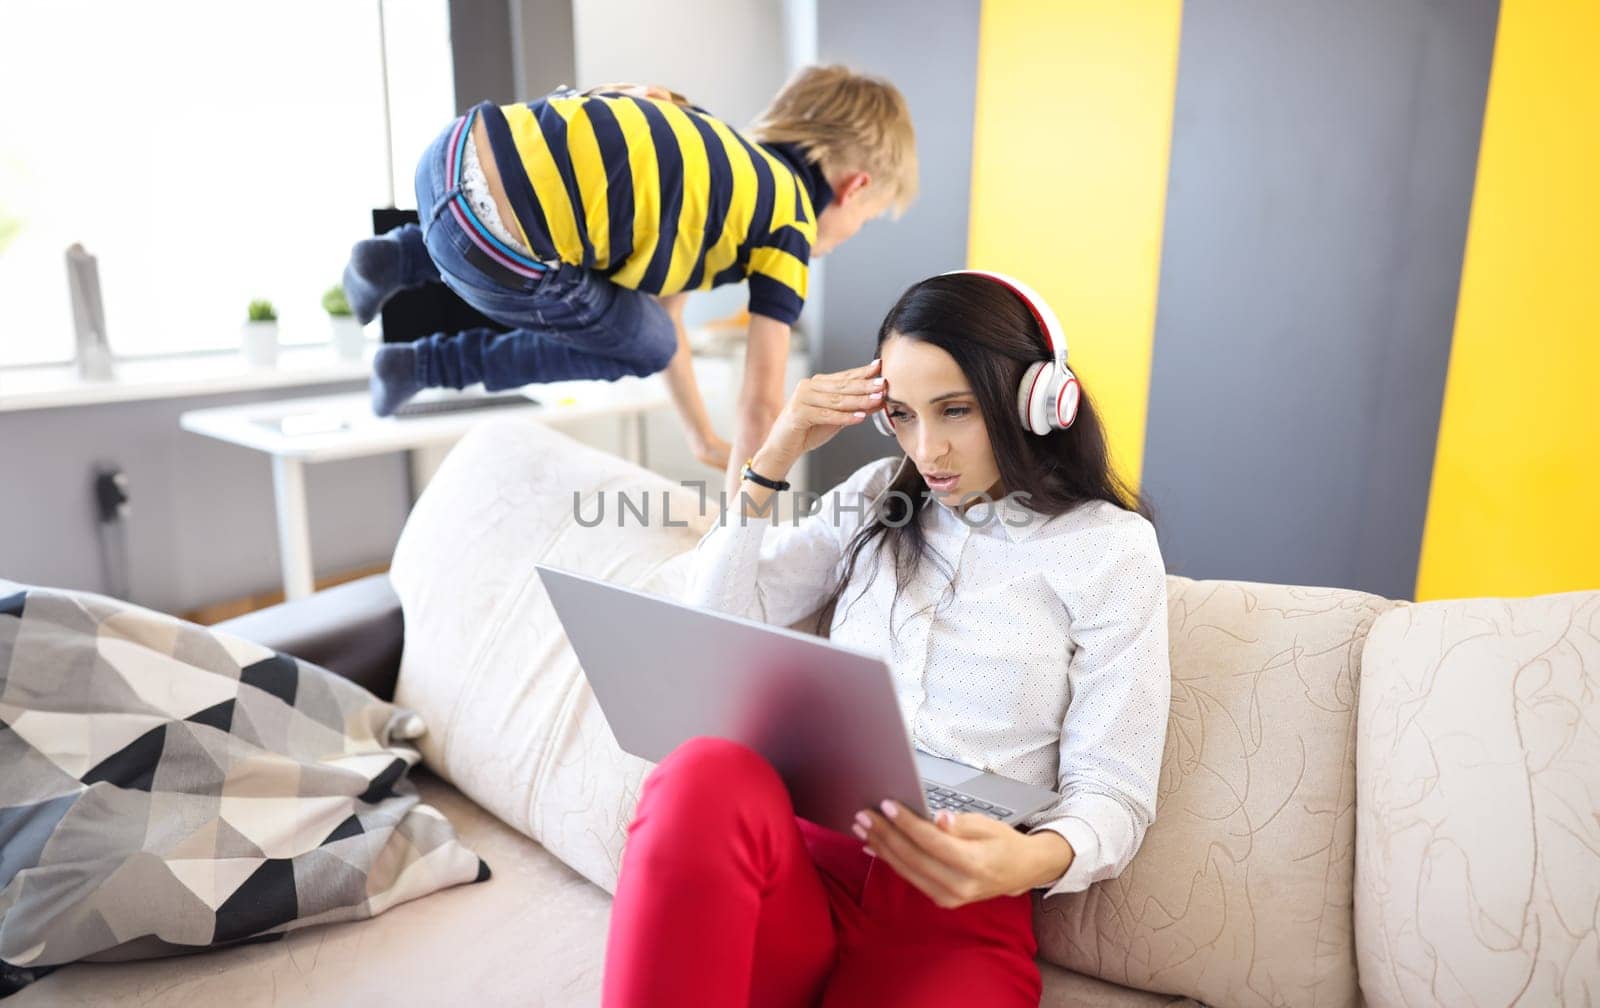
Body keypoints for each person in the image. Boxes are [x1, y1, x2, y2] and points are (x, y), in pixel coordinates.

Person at [602, 271, 1172, 1006]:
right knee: (700, 772)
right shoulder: (874, 497)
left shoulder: (1111, 550)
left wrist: (1029, 859)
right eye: (901, 414)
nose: (927, 448)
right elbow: (712, 628)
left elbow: (1115, 789)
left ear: (1036, 399)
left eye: (955, 410)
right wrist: (772, 457)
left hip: (955, 915)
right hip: (800, 871)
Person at [343, 67, 917, 474]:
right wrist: (747, 517)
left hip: (450, 155)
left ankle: (395, 255)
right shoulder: (788, 223)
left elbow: (666, 325)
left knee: (646, 330)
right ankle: (423, 364)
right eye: (863, 222)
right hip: (493, 246)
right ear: (854, 188)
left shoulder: (718, 160)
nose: (845, 238)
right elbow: (762, 404)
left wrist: (701, 439)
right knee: (639, 344)